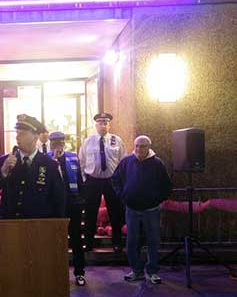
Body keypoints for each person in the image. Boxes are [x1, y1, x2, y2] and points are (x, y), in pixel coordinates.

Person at [112, 135, 172, 284]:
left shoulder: (157, 164)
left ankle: (152, 272)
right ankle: (136, 271)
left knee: (153, 241)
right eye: (137, 146)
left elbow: (167, 185)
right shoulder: (126, 161)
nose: (139, 149)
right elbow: (115, 179)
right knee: (132, 241)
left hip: (151, 210)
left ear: (149, 147)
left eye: (143, 146)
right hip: (131, 209)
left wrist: (157, 199)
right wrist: (123, 195)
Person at [0, 114, 66, 220]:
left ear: (35, 137)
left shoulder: (50, 165)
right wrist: (2, 172)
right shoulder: (7, 161)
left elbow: (59, 200)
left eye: (22, 134)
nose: (17, 137)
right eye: (17, 133)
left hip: (37, 228)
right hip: (10, 227)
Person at [78, 112, 127, 253]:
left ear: (109, 124)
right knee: (90, 213)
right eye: (100, 122)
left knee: (115, 213)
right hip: (92, 181)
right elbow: (81, 162)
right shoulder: (88, 141)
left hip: (111, 181)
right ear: (96, 124)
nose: (103, 125)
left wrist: (120, 181)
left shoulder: (116, 140)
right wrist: (84, 180)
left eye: (105, 122)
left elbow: (123, 161)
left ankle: (117, 243)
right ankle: (89, 243)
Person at [49, 131, 87, 286]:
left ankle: (79, 273)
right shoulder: (46, 160)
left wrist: (82, 200)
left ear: (64, 143)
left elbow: (79, 180)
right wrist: (54, 160)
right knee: (56, 241)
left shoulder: (73, 157)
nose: (58, 145)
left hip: (73, 205)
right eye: (54, 143)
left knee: (76, 240)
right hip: (54, 207)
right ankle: (57, 273)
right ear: (50, 144)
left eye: (60, 142)